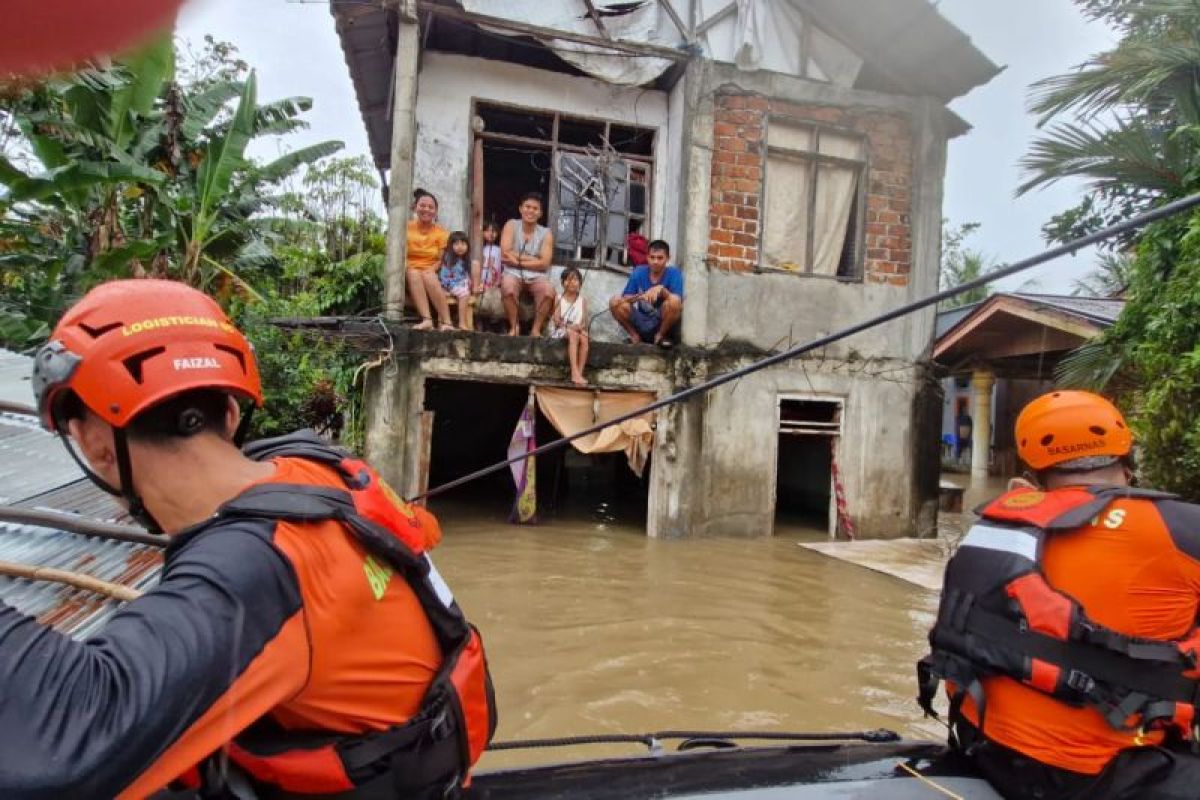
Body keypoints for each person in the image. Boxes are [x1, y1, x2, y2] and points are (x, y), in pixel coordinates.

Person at [18, 279, 496, 798]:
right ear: (229, 411)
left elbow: (62, 746)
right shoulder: (317, 467)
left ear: (93, 441)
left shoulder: (254, 568)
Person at [918, 390, 1200, 800]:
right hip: (1102, 776)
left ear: (1031, 474)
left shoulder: (997, 526)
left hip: (987, 749)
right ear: (1127, 459)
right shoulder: (1182, 528)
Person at [610, 239, 684, 348]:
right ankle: (635, 336)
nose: (655, 261)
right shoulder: (639, 271)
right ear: (647, 257)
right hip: (641, 321)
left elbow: (677, 301)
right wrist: (641, 296)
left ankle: (660, 336)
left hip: (661, 324)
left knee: (674, 302)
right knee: (615, 301)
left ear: (668, 258)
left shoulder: (674, 273)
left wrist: (663, 291)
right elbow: (625, 298)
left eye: (660, 258)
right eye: (652, 257)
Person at [499, 191, 555, 337]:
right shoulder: (511, 225)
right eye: (527, 207)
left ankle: (536, 329)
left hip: (537, 275)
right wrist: (533, 259)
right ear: (520, 209)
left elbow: (545, 263)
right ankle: (514, 326)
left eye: (535, 208)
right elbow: (505, 254)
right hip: (512, 272)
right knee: (508, 287)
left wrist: (517, 260)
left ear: (540, 213)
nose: (530, 211)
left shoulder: (546, 233)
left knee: (548, 291)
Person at [406, 188, 455, 331]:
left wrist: (431, 269)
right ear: (415, 208)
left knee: (428, 275)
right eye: (422, 205)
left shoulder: (441, 232)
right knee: (413, 273)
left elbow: (442, 259)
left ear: (435, 211)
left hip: (432, 269)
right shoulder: (406, 228)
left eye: (430, 207)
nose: (426, 209)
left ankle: (447, 322)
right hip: (409, 269)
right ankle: (427, 320)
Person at [551, 266, 589, 387]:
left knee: (585, 338)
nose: (571, 282)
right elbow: (556, 321)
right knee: (573, 335)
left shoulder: (582, 300)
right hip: (560, 331)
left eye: (575, 279)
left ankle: (579, 373)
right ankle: (574, 372)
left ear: (580, 283)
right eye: (567, 279)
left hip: (577, 330)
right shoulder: (558, 298)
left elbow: (583, 322)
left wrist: (579, 327)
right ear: (563, 283)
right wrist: (571, 327)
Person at [439, 230, 477, 330]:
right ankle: (462, 322)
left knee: (475, 266)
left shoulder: (465, 259)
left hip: (460, 284)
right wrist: (446, 287)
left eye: (463, 244)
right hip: (451, 284)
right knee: (464, 294)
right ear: (450, 246)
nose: (460, 247)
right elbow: (445, 276)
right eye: (456, 244)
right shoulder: (449, 259)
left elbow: (465, 275)